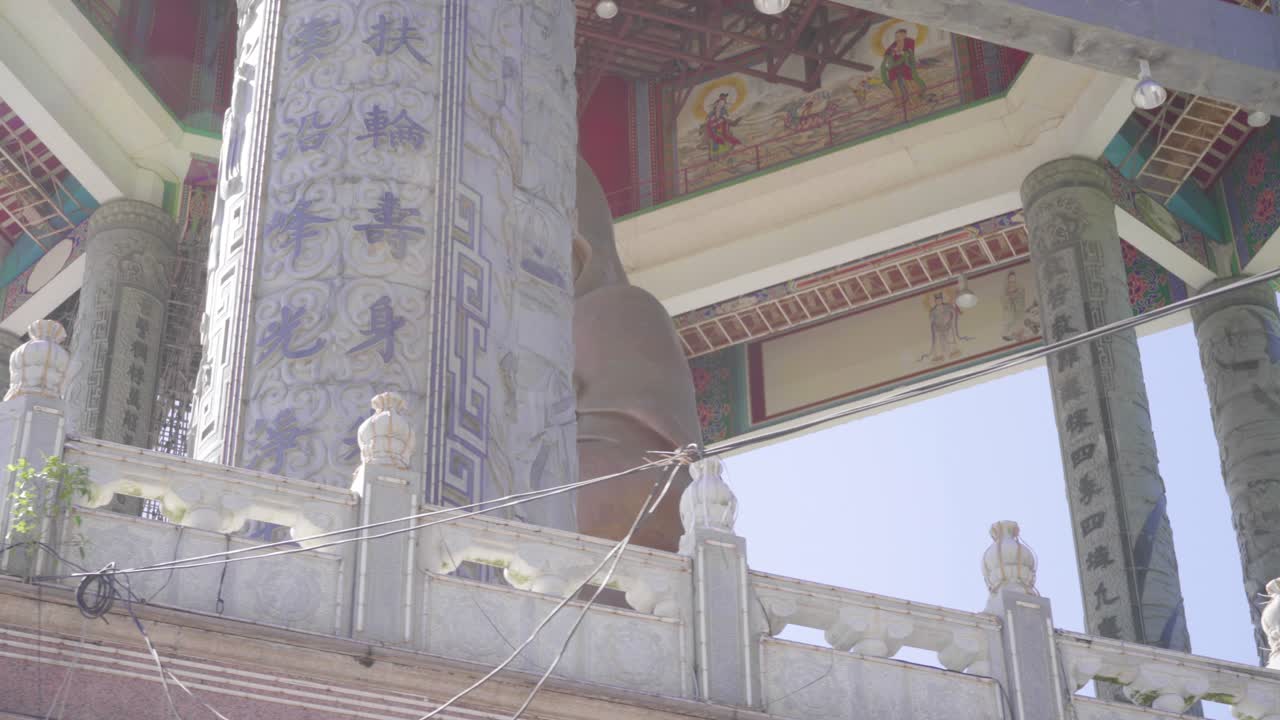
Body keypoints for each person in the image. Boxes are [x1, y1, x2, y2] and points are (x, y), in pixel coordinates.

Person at [881, 29, 927, 106]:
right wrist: (892, 54)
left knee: (909, 81)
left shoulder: (910, 41)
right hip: (894, 67)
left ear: (904, 35)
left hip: (906, 64)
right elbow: (887, 54)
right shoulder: (893, 45)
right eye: (896, 36)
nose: (897, 38)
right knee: (894, 83)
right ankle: (899, 102)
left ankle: (917, 97)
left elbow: (910, 53)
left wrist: (902, 53)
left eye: (899, 36)